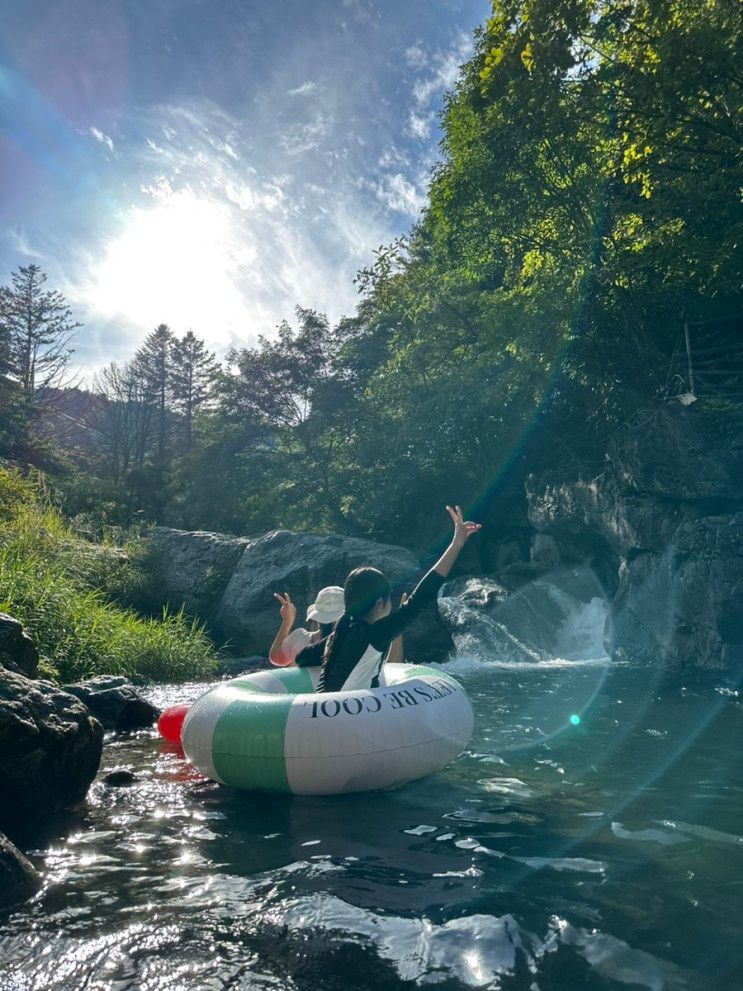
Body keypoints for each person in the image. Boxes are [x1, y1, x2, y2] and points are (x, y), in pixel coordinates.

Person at [295, 505, 480, 692]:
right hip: (344, 718)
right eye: (389, 598)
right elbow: (421, 597)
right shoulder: (375, 633)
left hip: (322, 710)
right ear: (379, 604)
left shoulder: (338, 635)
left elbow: (301, 658)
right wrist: (456, 544)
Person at [269, 586, 344, 667]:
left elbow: (276, 659)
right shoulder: (348, 646)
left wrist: (287, 621)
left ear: (317, 617)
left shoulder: (298, 637)